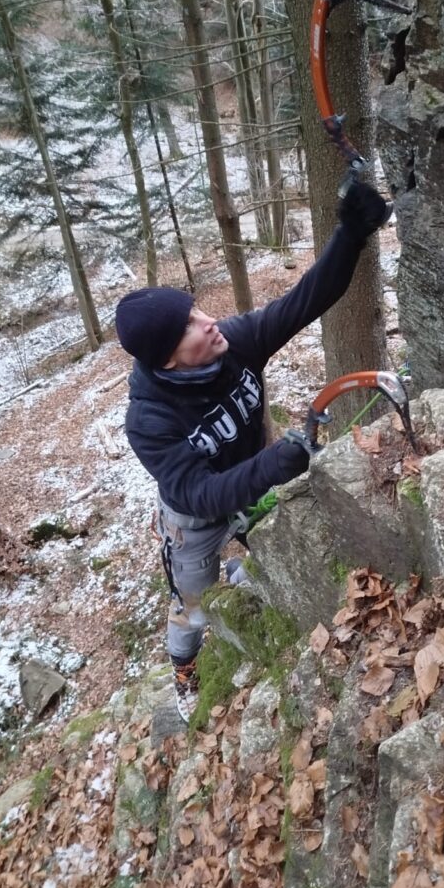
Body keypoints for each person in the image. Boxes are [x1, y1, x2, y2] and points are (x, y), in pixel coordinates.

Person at [115, 181, 390, 721]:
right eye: (189, 327)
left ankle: (251, 576)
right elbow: (197, 494)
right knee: (192, 603)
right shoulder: (149, 420)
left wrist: (351, 234)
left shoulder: (235, 343)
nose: (208, 321)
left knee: (277, 541)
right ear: (167, 360)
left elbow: (304, 301)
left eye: (195, 310)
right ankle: (184, 667)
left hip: (251, 486)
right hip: (193, 522)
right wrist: (272, 464)